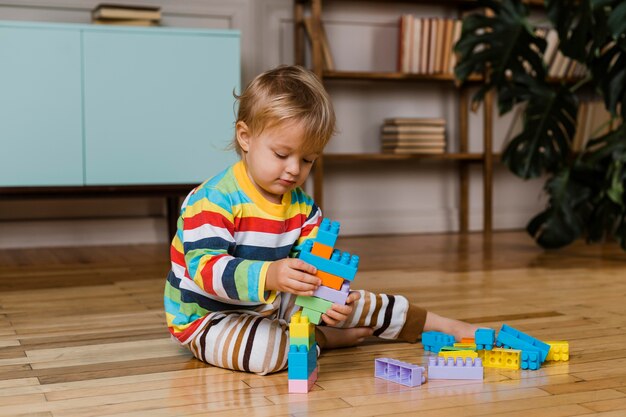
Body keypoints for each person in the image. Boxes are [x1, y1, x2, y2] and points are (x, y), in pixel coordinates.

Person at [164, 65, 477, 375]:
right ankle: (321, 340)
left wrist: (329, 300)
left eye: (307, 159)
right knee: (266, 352)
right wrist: (270, 275)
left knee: (358, 303)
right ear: (245, 137)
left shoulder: (305, 210)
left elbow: (312, 271)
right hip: (210, 318)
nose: (293, 170)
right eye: (281, 154)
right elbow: (205, 268)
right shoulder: (214, 199)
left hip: (273, 305)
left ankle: (442, 325)